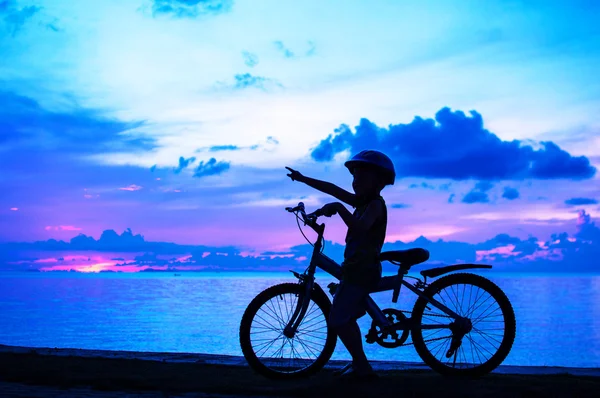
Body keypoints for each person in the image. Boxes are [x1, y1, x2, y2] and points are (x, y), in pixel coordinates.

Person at [285, 149, 395, 380]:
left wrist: (337, 208)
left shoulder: (374, 205)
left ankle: (362, 367)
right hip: (355, 269)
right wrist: (303, 178)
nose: (355, 183)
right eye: (354, 178)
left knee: (337, 319)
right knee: (343, 314)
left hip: (362, 271)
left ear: (378, 182)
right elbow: (333, 189)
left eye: (361, 178)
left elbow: (360, 227)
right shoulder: (361, 202)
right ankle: (359, 364)